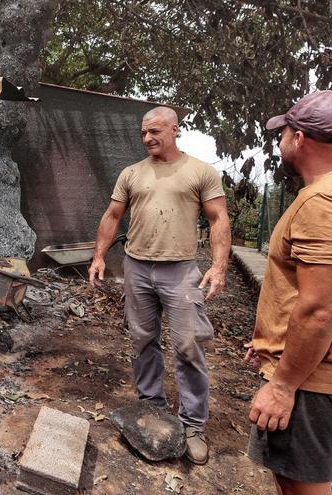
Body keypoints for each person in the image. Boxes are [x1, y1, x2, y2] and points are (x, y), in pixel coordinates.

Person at [245, 90, 332, 495]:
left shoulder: (326, 200)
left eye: (283, 133)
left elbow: (320, 309)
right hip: (326, 370)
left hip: (318, 380)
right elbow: (313, 291)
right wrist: (273, 343)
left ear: (300, 138)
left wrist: (283, 384)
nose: (280, 143)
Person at [89, 106, 231, 465]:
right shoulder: (132, 173)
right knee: (142, 339)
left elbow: (218, 220)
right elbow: (112, 216)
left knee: (189, 344)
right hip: (137, 267)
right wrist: (99, 256)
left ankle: (193, 424)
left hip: (182, 270)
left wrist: (218, 266)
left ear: (174, 129)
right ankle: (152, 405)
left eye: (155, 131)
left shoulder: (200, 171)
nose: (149, 138)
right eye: (144, 133)